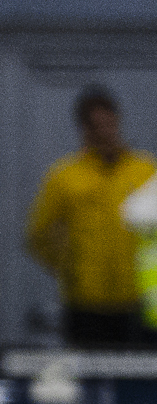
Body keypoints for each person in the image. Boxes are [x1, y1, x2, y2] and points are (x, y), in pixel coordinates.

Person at [25, 86, 156, 346]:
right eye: (96, 127)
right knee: (88, 367)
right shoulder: (65, 176)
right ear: (84, 129)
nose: (105, 133)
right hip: (85, 302)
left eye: (109, 125)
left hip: (136, 299)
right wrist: (70, 265)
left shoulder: (144, 171)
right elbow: (39, 233)